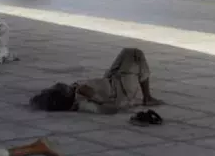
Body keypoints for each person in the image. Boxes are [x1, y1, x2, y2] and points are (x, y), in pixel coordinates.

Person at [30, 48, 164, 114]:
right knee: (136, 54)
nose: (65, 86)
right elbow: (112, 109)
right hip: (122, 90)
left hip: (111, 79)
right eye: (64, 89)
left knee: (126, 52)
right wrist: (94, 96)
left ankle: (146, 95)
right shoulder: (83, 105)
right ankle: (147, 97)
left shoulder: (74, 91)